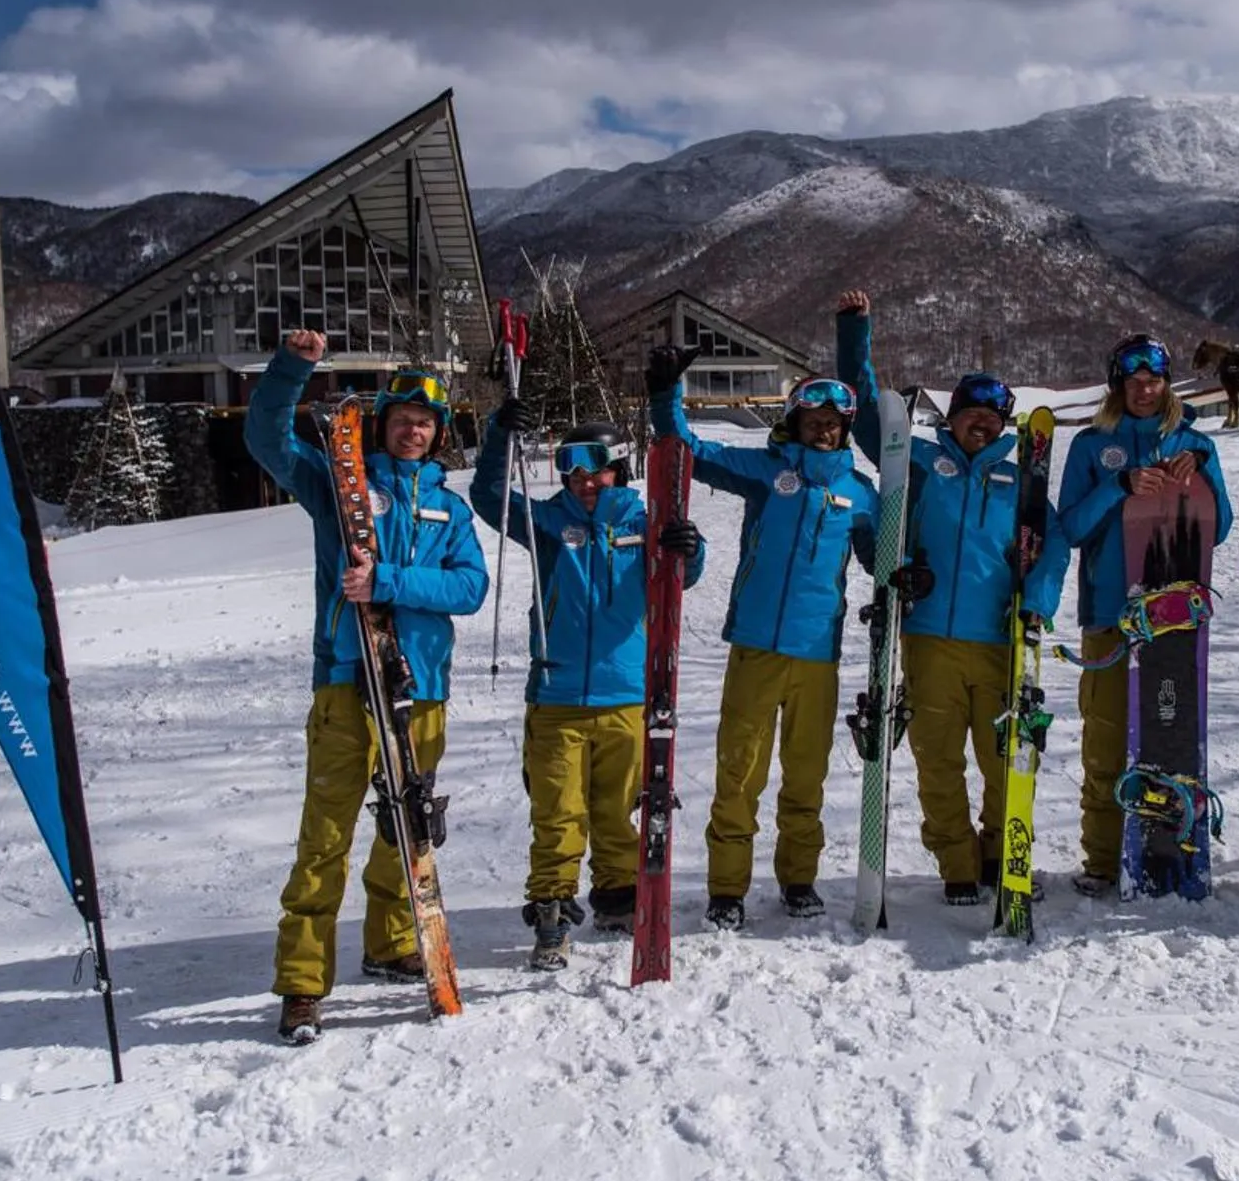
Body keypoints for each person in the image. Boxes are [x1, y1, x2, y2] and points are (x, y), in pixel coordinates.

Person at [246, 333, 489, 1044]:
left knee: (403, 828)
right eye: (401, 418)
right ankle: (301, 983)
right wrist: (294, 368)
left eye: (425, 422)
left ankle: (390, 943)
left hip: (421, 687)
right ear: (381, 423)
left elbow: (470, 587)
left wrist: (386, 581)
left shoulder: (451, 506)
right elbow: (265, 438)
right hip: (348, 680)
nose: (413, 430)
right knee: (324, 838)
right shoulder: (337, 481)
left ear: (438, 432)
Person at [645, 308, 878, 928]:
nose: (823, 431)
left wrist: (901, 570)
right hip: (754, 648)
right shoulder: (765, 471)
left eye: (834, 423)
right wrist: (665, 394)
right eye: (812, 420)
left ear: (845, 430)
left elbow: (879, 556)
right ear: (794, 422)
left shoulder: (860, 492)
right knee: (739, 773)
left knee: (806, 777)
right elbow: (685, 450)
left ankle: (798, 879)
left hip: (817, 657)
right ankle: (728, 887)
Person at [838, 297, 1070, 904]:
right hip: (930, 639)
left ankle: (999, 855)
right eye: (973, 414)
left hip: (998, 642)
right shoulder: (919, 462)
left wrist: (1037, 602)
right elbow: (868, 422)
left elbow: (1053, 547)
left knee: (1001, 763)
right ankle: (957, 863)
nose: (982, 425)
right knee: (938, 762)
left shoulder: (1022, 483)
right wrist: (855, 334)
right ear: (957, 416)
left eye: (994, 420)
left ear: (1004, 427)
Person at [471, 408, 706, 969]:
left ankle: (618, 897)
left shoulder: (644, 523)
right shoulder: (549, 524)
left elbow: (684, 578)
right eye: (570, 469)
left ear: (618, 469)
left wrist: (689, 548)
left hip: (625, 696)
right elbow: (486, 497)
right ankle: (551, 912)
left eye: (594, 468)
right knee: (558, 813)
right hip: (556, 698)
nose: (582, 480)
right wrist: (500, 434)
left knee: (616, 809)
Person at [1054, 334, 1233, 896]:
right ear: (1117, 386)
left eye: (1153, 380)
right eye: (1132, 381)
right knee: (1106, 744)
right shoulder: (1090, 444)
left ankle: (1173, 846)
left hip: (1173, 620)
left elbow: (1219, 527)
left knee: (1170, 742)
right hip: (1109, 614)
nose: (1144, 389)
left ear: (1166, 383)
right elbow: (1072, 527)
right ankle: (1105, 859)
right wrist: (1120, 486)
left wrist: (1200, 468)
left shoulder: (1194, 443)